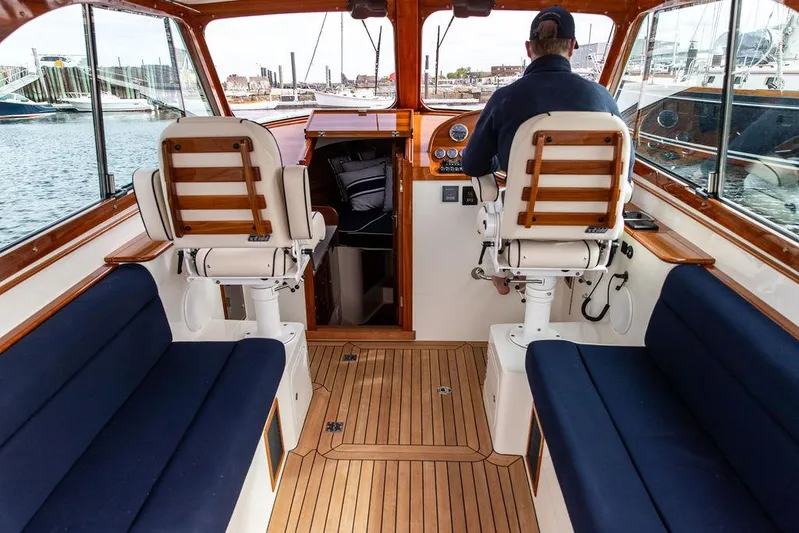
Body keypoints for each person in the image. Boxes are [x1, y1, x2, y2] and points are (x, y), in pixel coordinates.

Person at [461, 6, 630, 295]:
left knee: (498, 201)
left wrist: (503, 162)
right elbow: (624, 175)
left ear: (529, 49)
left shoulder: (506, 98)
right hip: (591, 231)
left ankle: (503, 277)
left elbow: (473, 164)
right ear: (572, 47)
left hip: (523, 223)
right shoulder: (603, 98)